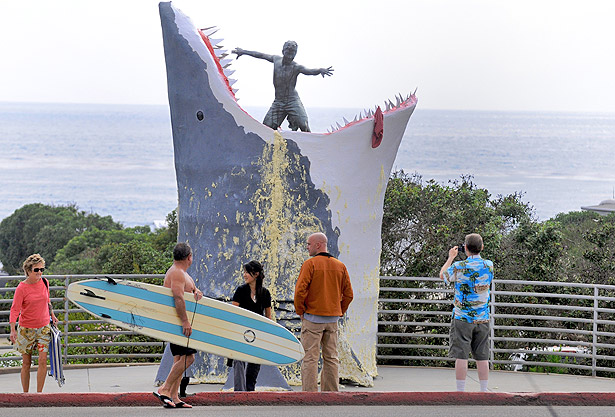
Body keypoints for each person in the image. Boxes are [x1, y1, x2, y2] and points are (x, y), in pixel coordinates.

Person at [294, 232, 353, 392]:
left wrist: (301, 311)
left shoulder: (310, 264)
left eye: (308, 244)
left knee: (310, 358)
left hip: (312, 319)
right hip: (332, 320)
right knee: (332, 358)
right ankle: (331, 393)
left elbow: (300, 291)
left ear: (318, 245)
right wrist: (339, 310)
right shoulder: (340, 266)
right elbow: (349, 294)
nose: (307, 247)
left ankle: (310, 394)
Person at [232, 41, 333, 132]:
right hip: (278, 102)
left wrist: (320, 70)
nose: (290, 53)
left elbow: (309, 71)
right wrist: (244, 51)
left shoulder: (296, 67)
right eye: (288, 50)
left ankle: (311, 148)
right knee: (266, 127)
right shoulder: (276, 60)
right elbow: (260, 55)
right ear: (283, 51)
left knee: (303, 124)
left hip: (292, 101)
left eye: (293, 51)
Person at [439, 233, 494, 392]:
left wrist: (451, 257)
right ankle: (483, 391)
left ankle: (460, 391)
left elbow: (443, 275)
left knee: (462, 356)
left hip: (462, 318)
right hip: (482, 318)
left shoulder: (459, 266)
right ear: (482, 247)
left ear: (465, 248)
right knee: (482, 356)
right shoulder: (489, 265)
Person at [154, 242, 203, 408]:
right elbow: (178, 298)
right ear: (189, 257)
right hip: (179, 323)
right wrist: (185, 321)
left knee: (179, 359)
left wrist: (196, 292)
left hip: (180, 323)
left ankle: (174, 397)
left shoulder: (182, 273)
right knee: (189, 358)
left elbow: (189, 292)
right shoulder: (177, 273)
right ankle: (165, 388)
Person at [9, 254, 58, 392]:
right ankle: (26, 394)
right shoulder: (22, 288)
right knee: (26, 363)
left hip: (43, 327)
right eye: (36, 270)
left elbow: (48, 301)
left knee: (43, 361)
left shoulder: (45, 282)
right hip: (26, 330)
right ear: (28, 271)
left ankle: (39, 394)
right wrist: (13, 329)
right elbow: (15, 310)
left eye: (42, 269)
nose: (40, 272)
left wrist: (52, 315)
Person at [231, 260, 272, 391]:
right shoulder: (241, 290)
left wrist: (267, 334)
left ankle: (250, 388)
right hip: (241, 330)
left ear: (256, 274)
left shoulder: (265, 293)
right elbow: (234, 311)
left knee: (255, 361)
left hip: (257, 332)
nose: (244, 275)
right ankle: (239, 390)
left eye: (247, 272)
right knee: (238, 360)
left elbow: (268, 316)